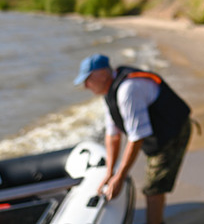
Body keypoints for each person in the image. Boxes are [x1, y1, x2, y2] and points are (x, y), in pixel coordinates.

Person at [75, 54, 192, 224]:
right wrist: (110, 173)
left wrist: (120, 177)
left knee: (153, 188)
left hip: (173, 130)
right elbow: (112, 135)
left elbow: (136, 138)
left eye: (87, 80)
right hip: (157, 129)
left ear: (101, 75)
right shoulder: (110, 91)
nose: (86, 86)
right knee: (153, 180)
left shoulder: (127, 90)